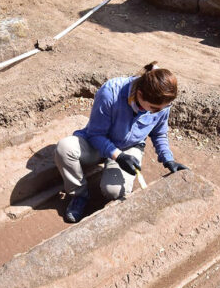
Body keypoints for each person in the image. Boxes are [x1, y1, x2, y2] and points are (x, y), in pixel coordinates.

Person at [54, 62, 189, 223]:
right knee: (65, 148)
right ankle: (79, 195)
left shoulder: (161, 103)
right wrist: (118, 156)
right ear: (140, 94)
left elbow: (159, 133)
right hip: (97, 143)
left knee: (114, 191)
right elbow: (95, 134)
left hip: (129, 147)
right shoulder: (110, 92)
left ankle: (107, 181)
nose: (158, 111)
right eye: (154, 108)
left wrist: (168, 159)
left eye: (162, 108)